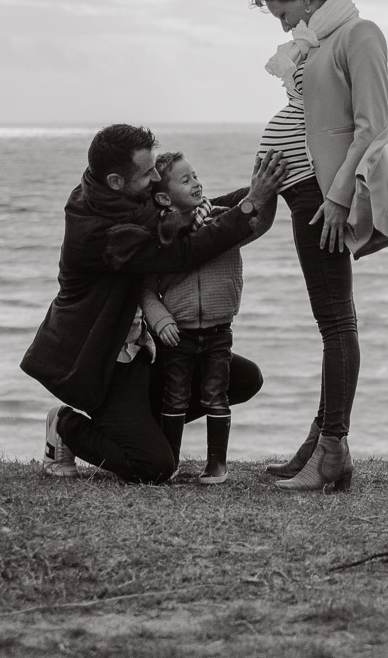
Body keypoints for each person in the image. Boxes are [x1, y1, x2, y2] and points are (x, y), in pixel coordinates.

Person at [21, 124, 285, 483]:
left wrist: (264, 189)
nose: (157, 177)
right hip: (104, 363)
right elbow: (185, 253)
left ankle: (136, 428)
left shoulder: (123, 198)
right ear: (116, 180)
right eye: (148, 173)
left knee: (242, 379)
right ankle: (65, 425)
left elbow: (194, 207)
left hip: (143, 350)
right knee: (153, 468)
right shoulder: (102, 234)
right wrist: (252, 201)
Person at [252, 0, 388, 492]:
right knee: (329, 321)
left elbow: (373, 126)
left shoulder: (359, 34)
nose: (280, 22)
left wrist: (338, 198)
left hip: (322, 195)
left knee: (337, 322)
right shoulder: (314, 43)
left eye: (282, 9)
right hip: (300, 191)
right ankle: (320, 443)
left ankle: (331, 450)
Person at [140, 150, 270, 485]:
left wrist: (264, 190)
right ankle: (168, 462)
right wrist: (161, 320)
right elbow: (146, 290)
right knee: (176, 396)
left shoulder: (223, 220)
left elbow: (259, 222)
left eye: (195, 176)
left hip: (218, 331)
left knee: (217, 395)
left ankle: (217, 465)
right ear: (165, 197)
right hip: (177, 335)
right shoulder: (160, 237)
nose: (196, 183)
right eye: (186, 180)